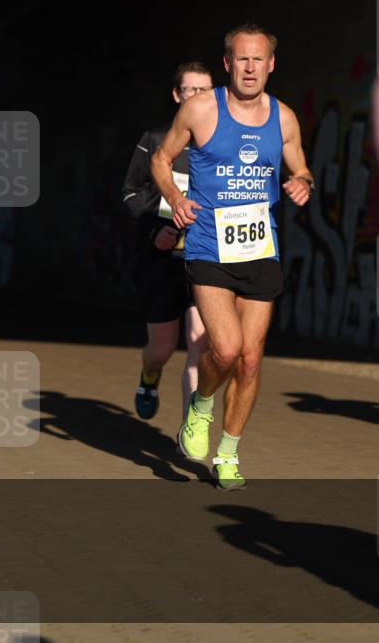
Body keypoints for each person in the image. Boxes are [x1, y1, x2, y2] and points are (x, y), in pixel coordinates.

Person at [152, 24, 312, 490]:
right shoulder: (201, 108)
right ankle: (201, 404)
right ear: (227, 63)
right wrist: (175, 199)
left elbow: (302, 166)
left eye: (258, 59)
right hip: (209, 246)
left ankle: (228, 453)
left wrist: (303, 183)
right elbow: (161, 159)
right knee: (225, 348)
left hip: (260, 249)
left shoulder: (283, 118)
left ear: (271, 64)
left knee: (251, 359)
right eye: (242, 58)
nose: (250, 67)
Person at [122, 62, 213, 421]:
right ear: (177, 95)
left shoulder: (219, 146)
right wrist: (153, 232)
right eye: (191, 90)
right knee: (161, 349)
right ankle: (149, 375)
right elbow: (130, 193)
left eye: (205, 90)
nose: (198, 96)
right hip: (160, 259)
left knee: (200, 342)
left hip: (203, 258)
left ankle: (192, 429)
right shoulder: (155, 140)